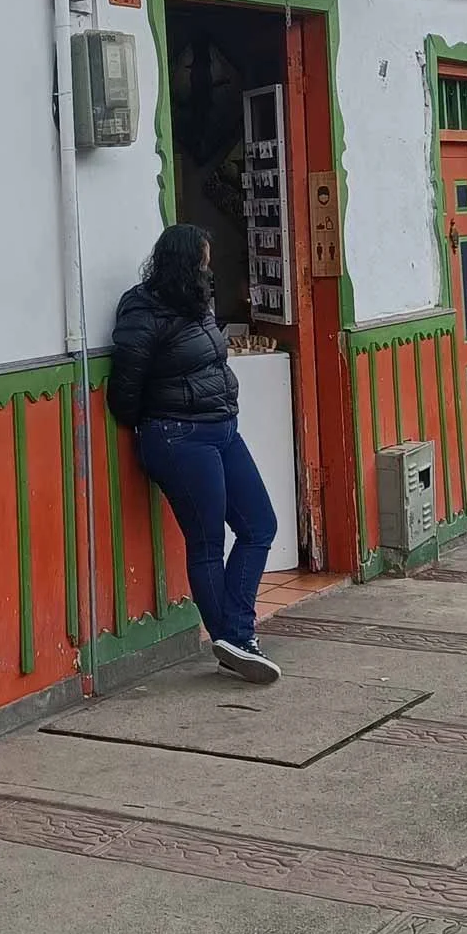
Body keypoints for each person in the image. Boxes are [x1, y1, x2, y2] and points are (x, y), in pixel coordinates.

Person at [109, 223, 281, 681]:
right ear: (184, 262)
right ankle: (235, 638)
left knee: (260, 525)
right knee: (207, 541)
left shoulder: (197, 302)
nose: (209, 267)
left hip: (223, 429)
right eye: (202, 260)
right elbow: (125, 385)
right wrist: (153, 426)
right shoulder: (142, 308)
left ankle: (235, 635)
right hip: (179, 436)